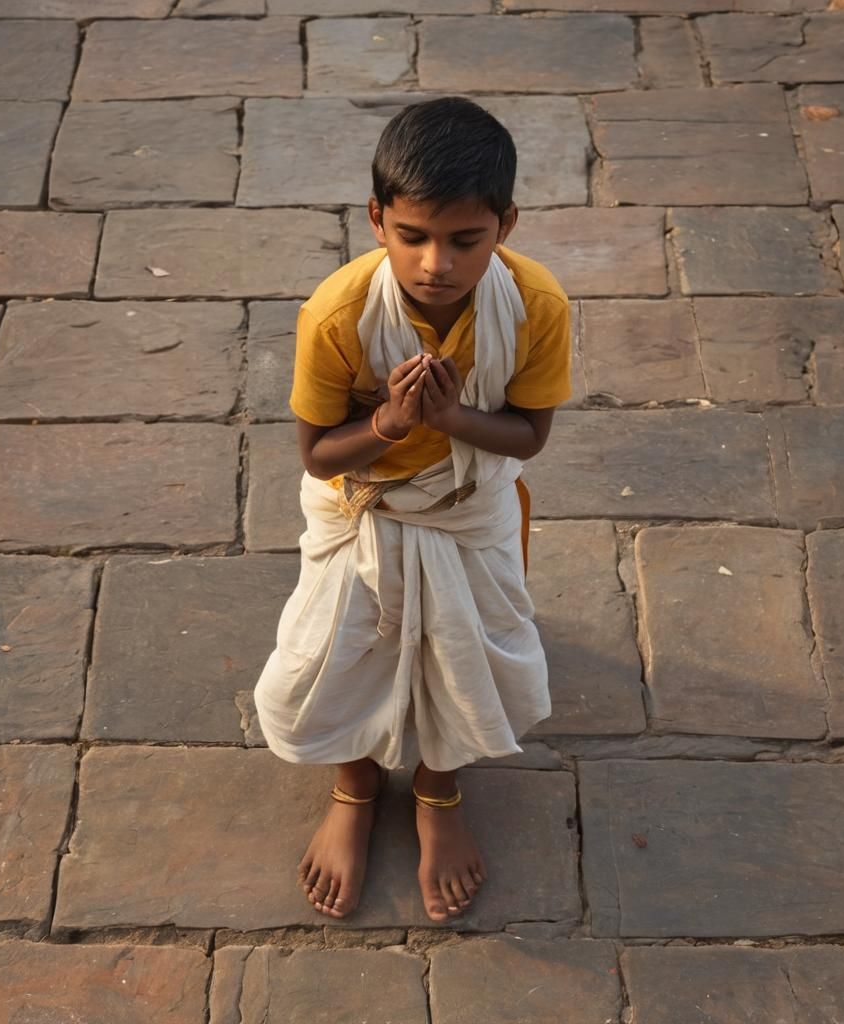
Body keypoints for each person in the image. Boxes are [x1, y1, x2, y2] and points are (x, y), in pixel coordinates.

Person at [254, 96, 572, 924]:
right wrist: (391, 424)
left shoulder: (535, 306)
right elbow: (318, 455)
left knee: (461, 655)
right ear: (377, 220)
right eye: (413, 236)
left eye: (466, 240)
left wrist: (449, 419)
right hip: (362, 505)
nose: (437, 263)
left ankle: (438, 788)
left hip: (469, 505)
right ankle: (355, 784)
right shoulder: (337, 316)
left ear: (505, 223)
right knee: (341, 651)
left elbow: (528, 437)